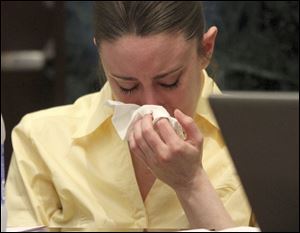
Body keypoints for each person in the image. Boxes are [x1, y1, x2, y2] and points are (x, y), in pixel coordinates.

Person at [6, 2, 255, 231]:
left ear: (206, 49)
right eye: (127, 86)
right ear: (101, 58)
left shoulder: (261, 142)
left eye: (169, 82)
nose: (149, 104)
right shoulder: (41, 139)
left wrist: (191, 184)